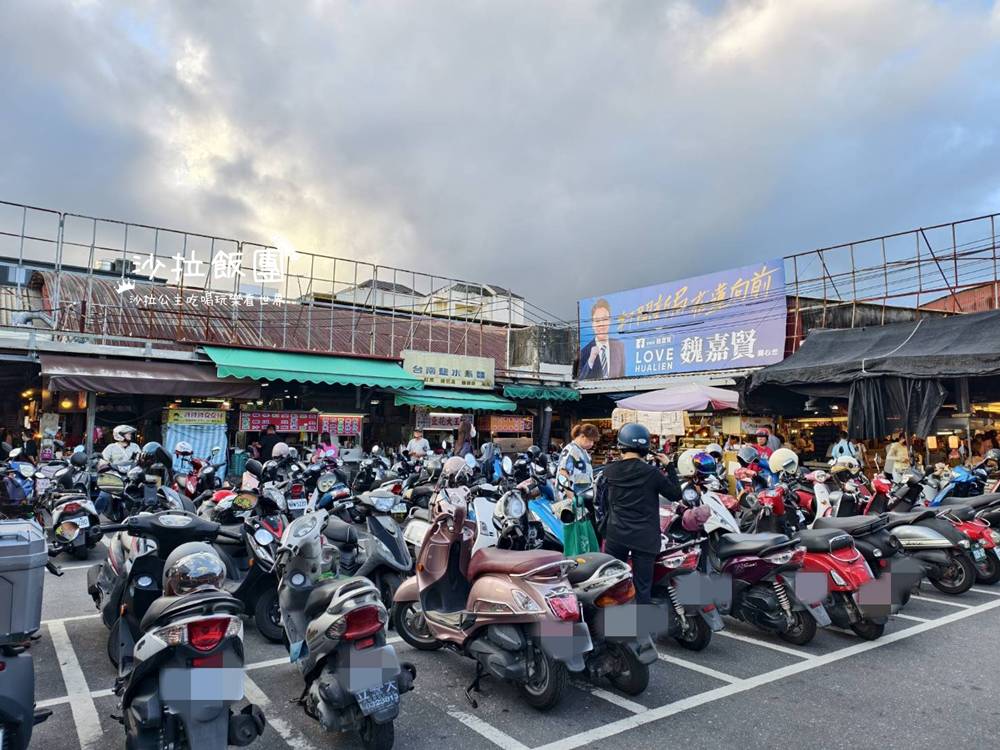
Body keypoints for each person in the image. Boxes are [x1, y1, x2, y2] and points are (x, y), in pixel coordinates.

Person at [600, 423, 682, 604]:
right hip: (645, 538)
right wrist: (669, 466)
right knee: (643, 587)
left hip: (616, 535)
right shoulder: (652, 473)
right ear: (646, 449)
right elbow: (676, 494)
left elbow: (602, 502)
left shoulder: (609, 471)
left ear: (621, 445)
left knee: (615, 583)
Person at [578, 298, 625, 380]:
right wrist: (591, 359)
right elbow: (580, 381)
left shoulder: (619, 347)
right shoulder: (584, 352)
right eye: (597, 321)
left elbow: (624, 378)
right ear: (592, 324)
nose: (601, 324)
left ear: (610, 321)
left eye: (605, 319)